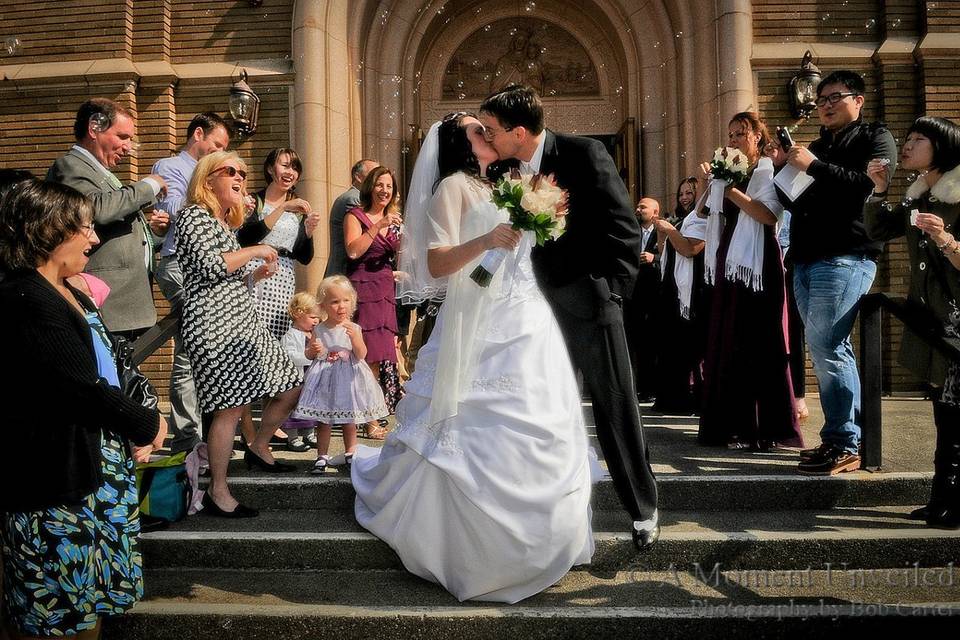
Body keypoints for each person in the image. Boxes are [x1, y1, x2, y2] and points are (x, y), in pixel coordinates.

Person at [352, 112, 594, 603]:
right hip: (474, 319)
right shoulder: (451, 189)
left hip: (525, 314)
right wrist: (485, 240)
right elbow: (436, 263)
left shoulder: (514, 183)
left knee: (541, 409)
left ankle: (547, 530)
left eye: (488, 128)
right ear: (458, 144)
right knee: (463, 420)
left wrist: (542, 222)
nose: (486, 132)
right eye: (474, 129)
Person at [479, 84, 660, 549]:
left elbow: (623, 227)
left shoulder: (585, 153)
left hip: (591, 304)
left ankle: (643, 508)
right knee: (544, 407)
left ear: (519, 131)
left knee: (613, 403)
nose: (488, 136)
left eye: (493, 130)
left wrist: (611, 294)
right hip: (536, 309)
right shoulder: (511, 172)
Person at [0, 179, 166, 639]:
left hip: (80, 473)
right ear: (50, 230)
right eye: (85, 229)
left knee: (86, 607)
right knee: (60, 617)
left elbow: (106, 365)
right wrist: (147, 421)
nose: (94, 239)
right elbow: (80, 387)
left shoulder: (59, 288)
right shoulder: (26, 296)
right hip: (49, 485)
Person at [176, 151, 303, 517]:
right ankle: (218, 490)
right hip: (214, 325)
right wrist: (256, 250)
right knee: (228, 410)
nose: (240, 178)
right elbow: (211, 266)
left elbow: (224, 274)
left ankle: (258, 445)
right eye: (231, 171)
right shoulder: (193, 216)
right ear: (208, 178)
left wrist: (253, 275)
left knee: (291, 382)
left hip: (241, 321)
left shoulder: (221, 223)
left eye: (243, 174)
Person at [783, 70, 898, 475]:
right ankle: (846, 436)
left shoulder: (875, 138)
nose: (827, 104)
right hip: (806, 257)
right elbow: (796, 200)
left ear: (859, 100)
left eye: (836, 96)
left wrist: (813, 166)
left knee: (828, 345)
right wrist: (784, 169)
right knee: (828, 348)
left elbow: (865, 188)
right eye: (822, 99)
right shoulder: (814, 145)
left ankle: (844, 441)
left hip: (846, 254)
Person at [864, 115, 960, 528]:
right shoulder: (918, 195)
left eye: (917, 139)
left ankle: (952, 502)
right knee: (944, 410)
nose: (905, 146)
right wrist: (879, 190)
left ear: (942, 146)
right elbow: (879, 229)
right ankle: (943, 497)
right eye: (907, 138)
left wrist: (947, 239)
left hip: (957, 324)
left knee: (955, 413)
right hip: (933, 321)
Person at [697, 112, 803, 452]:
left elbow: (768, 214)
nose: (733, 140)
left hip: (758, 264)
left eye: (741, 134)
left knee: (759, 341)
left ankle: (765, 427)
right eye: (730, 135)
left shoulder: (765, 170)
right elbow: (702, 214)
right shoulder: (730, 172)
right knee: (729, 340)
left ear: (757, 136)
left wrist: (730, 191)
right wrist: (713, 183)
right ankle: (732, 426)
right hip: (730, 260)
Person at [46, 98, 169, 337]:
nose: (128, 147)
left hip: (125, 305)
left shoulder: (99, 172)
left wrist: (155, 234)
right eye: (123, 137)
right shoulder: (70, 166)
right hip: (108, 305)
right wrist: (148, 185)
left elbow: (117, 237)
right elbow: (97, 209)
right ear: (94, 128)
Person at [152, 112, 232, 455]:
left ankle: (209, 432)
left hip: (210, 267)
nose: (219, 153)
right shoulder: (170, 167)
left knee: (207, 348)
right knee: (188, 350)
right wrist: (215, 193)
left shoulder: (218, 177)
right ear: (197, 135)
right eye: (216, 145)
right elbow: (172, 208)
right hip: (179, 265)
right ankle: (188, 441)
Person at [294, 276, 388, 474]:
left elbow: (362, 355)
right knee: (324, 419)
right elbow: (311, 354)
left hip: (348, 377)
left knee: (349, 417)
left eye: (345, 300)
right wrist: (314, 349)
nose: (341, 306)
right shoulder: (318, 328)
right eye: (335, 302)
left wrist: (355, 339)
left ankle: (350, 452)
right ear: (323, 306)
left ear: (352, 302)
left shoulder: (354, 328)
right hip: (325, 378)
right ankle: (321, 455)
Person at [344, 165, 403, 437]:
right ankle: (365, 420)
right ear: (370, 186)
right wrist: (377, 225)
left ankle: (370, 417)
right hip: (363, 290)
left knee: (380, 359)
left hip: (385, 290)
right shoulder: (355, 215)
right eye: (380, 184)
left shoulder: (394, 219)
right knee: (364, 357)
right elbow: (354, 251)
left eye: (389, 186)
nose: (385, 190)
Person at [238, 147, 320, 339]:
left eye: (294, 168)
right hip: (256, 270)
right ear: (269, 169)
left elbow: (304, 257)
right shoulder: (254, 201)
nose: (290, 172)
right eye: (284, 166)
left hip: (284, 276)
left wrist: (307, 231)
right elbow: (246, 238)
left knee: (278, 333)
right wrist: (283, 207)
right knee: (252, 331)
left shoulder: (297, 211)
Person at [651, 178, 708, 415]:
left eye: (689, 193)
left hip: (693, 293)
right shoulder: (681, 219)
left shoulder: (702, 219)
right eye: (681, 193)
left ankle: (693, 396)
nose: (684, 197)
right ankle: (671, 397)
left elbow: (690, 249)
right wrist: (663, 236)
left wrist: (671, 231)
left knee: (691, 348)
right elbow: (667, 253)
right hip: (673, 289)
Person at [278, 292, 325, 452]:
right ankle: (293, 437)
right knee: (294, 408)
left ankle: (309, 434)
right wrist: (307, 355)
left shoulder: (315, 334)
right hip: (297, 380)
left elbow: (321, 354)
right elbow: (289, 356)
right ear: (299, 314)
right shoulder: (290, 336)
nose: (316, 321)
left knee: (311, 407)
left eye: (317, 318)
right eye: (313, 317)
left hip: (312, 380)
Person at [626, 196, 661, 402]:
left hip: (654, 293)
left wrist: (653, 258)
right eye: (637, 206)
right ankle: (637, 387)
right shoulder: (632, 231)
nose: (638, 210)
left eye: (643, 207)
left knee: (652, 344)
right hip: (634, 295)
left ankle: (651, 387)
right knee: (635, 343)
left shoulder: (663, 230)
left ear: (655, 211)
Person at [325, 159, 379, 278]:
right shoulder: (354, 199)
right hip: (346, 272)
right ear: (358, 177)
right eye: (374, 174)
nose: (378, 179)